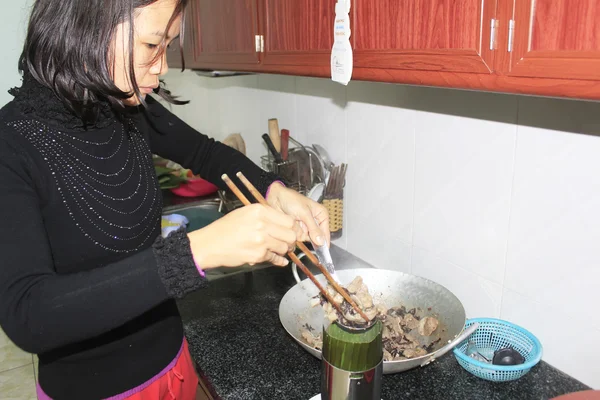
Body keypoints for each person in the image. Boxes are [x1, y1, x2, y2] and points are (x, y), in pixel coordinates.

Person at [0, 0, 329, 398]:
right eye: (152, 45)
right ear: (87, 26)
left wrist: (277, 191)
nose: (163, 66)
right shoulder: (12, 146)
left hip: (175, 365)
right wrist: (195, 252)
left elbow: (206, 153)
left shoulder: (121, 103)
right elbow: (29, 313)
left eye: (168, 46)